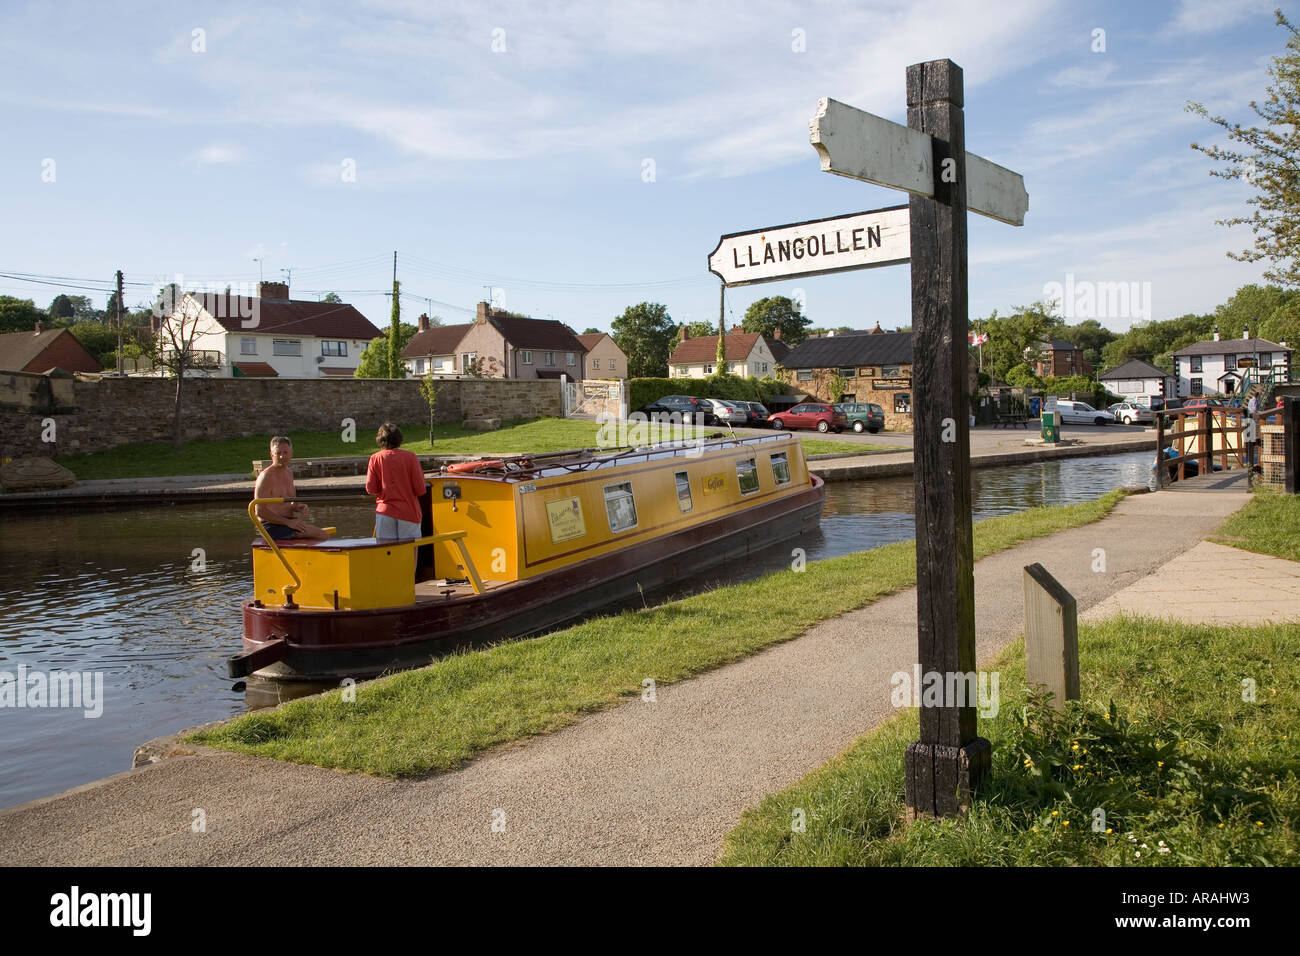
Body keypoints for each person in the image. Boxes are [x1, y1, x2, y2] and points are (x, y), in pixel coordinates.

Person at [253, 436, 328, 540]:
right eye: (278, 453)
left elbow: (289, 502)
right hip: (272, 527)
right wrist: (288, 522)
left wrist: (298, 507)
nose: (282, 457)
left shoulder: (289, 474)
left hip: (288, 523)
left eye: (285, 453)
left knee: (318, 535)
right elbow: (259, 511)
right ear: (271, 455)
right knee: (322, 535)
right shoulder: (266, 476)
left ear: (291, 453)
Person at [366, 422, 427, 539]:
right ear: (399, 439)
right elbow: (420, 489)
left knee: (387, 553)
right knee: (409, 552)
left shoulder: (375, 458)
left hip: (384, 512)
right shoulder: (410, 457)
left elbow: (371, 489)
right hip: (408, 511)